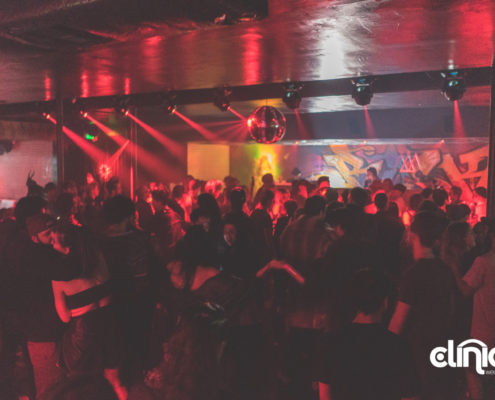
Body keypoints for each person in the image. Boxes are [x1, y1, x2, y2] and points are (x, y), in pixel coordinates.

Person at [317, 269, 420, 400]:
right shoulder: (398, 347)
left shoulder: (330, 343)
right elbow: (411, 396)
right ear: (385, 302)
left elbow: (325, 396)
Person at [51, 223, 127, 400]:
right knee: (115, 381)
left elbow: (64, 317)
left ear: (66, 246)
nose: (51, 244)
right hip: (110, 322)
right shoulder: (98, 257)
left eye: (53, 241)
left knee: (83, 386)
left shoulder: (59, 276)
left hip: (84, 331)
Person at [389, 211, 457, 400]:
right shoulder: (445, 269)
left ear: (413, 236)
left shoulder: (413, 274)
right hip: (442, 345)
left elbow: (399, 321)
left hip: (417, 350)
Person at [448, 218, 495, 400]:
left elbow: (465, 290)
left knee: (474, 373)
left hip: (484, 331)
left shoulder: (483, 262)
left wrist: (454, 268)